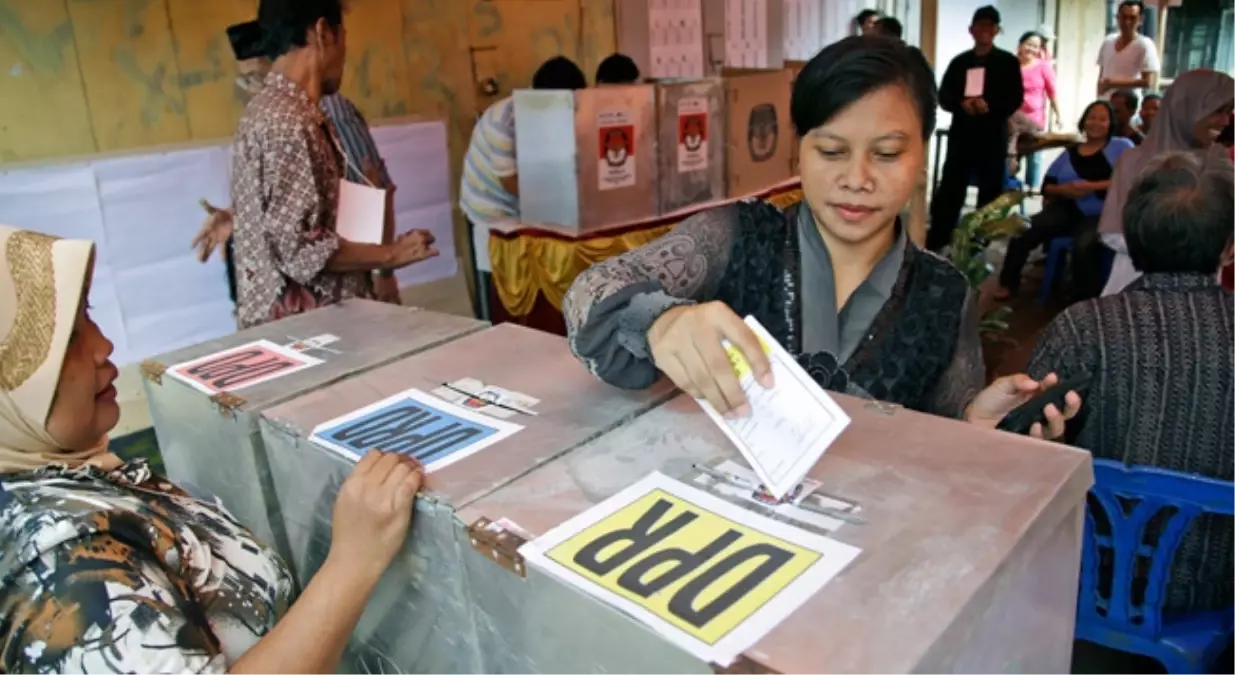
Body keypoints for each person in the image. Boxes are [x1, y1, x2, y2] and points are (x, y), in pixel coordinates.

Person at [562, 36, 1079, 436]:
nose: (857, 178)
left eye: (887, 153)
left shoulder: (945, 295)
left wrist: (974, 430)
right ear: (799, 151)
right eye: (831, 152)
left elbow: (945, 431)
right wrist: (662, 320)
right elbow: (590, 289)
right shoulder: (740, 236)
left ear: (922, 155)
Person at [0, 225, 426, 672]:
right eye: (68, 336)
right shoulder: (59, 573)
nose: (104, 346)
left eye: (88, 314)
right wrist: (354, 561)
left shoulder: (62, 476)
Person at [1027, 151, 1235, 613]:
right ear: (1229, 247)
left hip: (1092, 577)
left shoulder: (1085, 326)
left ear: (1133, 236)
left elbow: (1025, 442)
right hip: (1217, 586)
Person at [227, 0, 439, 329]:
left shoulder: (272, 112)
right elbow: (297, 250)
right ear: (324, 32)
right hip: (314, 335)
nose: (345, 54)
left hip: (304, 331)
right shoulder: (290, 121)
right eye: (344, 37)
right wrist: (390, 255)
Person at [195, 19, 409, 309]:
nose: (255, 89)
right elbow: (292, 204)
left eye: (259, 77)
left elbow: (373, 187)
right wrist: (239, 215)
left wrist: (385, 270)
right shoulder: (265, 116)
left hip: (340, 290)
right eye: (246, 81)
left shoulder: (328, 111)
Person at [459, 56, 587, 302]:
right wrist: (560, 203)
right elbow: (509, 181)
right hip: (491, 212)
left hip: (528, 210)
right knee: (501, 290)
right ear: (541, 98)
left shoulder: (561, 115)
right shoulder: (503, 120)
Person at [1100, 69, 1235, 295]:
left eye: (1229, 111)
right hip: (1138, 283)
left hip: (1204, 290)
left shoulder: (1218, 161)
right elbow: (1112, 233)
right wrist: (1192, 250)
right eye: (1217, 111)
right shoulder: (1135, 162)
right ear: (1185, 108)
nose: (1225, 120)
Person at [996, 100, 1135, 300]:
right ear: (1084, 122)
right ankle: (1008, 284)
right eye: (1091, 117)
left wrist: (1090, 187)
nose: (1096, 122)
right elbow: (1047, 187)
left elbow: (1130, 179)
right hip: (1068, 209)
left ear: (1110, 123)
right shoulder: (1070, 153)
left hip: (1102, 213)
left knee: (1084, 246)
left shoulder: (1121, 146)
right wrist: (1065, 190)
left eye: (1102, 119)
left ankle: (1085, 300)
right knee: (1023, 230)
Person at [928, 6, 1024, 252]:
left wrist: (989, 106)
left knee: (990, 188)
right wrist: (962, 104)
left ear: (996, 31)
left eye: (990, 26)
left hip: (992, 133)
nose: (984, 31)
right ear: (971, 30)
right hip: (962, 133)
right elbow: (944, 95)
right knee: (951, 185)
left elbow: (1014, 97)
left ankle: (979, 238)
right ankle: (940, 234)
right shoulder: (960, 62)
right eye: (980, 26)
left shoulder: (1007, 62)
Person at [1017, 31, 1060, 187]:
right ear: (1020, 45)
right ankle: (1010, 185)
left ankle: (1032, 188)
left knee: (1034, 156)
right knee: (1012, 155)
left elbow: (1052, 92)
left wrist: (1057, 115)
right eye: (1028, 44)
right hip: (1013, 120)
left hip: (1034, 119)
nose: (1031, 49)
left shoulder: (1043, 67)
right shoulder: (1011, 65)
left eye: (1035, 46)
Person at [1096, 0, 1160, 100]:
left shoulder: (1145, 44)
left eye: (1132, 18)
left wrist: (1112, 83)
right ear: (1117, 18)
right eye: (1124, 17)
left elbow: (1148, 81)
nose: (1127, 22)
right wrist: (1099, 98)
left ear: (1140, 20)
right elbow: (1102, 74)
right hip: (1106, 103)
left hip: (1128, 106)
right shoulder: (1108, 41)